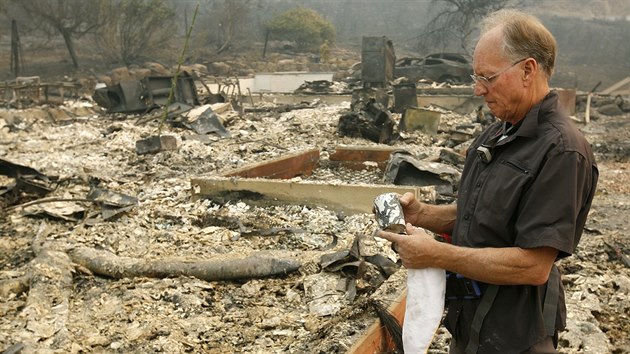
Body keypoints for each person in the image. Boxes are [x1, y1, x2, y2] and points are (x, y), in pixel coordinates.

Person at [376, 9, 598, 354]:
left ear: (528, 70)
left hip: (515, 336)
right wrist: (421, 214)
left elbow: (534, 265)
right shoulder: (497, 133)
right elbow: (478, 212)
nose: (478, 89)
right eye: (475, 76)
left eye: (489, 77)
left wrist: (436, 254)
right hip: (470, 324)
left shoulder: (563, 152)